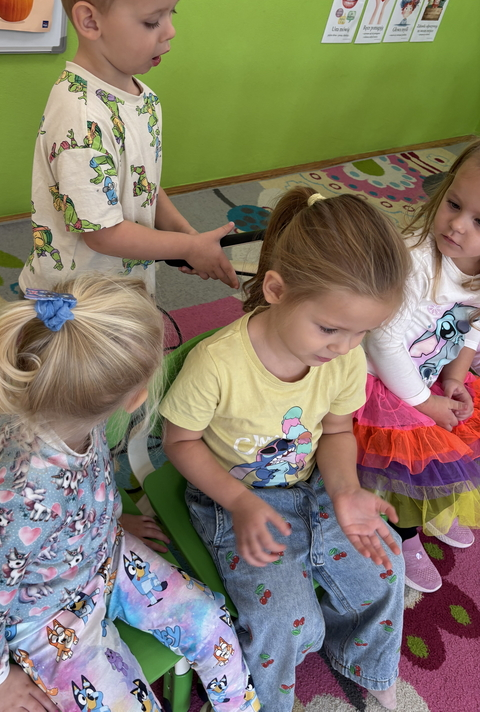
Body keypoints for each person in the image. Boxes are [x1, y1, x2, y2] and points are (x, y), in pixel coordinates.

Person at [0, 273, 259, 712]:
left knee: (210, 622)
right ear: (134, 398)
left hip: (102, 552)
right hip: (44, 617)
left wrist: (104, 521)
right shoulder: (20, 501)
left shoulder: (68, 405)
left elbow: (88, 481)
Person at [160, 187, 411, 711]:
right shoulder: (217, 363)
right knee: (287, 620)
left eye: (362, 332)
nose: (344, 347)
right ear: (275, 289)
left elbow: (337, 431)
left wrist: (345, 491)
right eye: (330, 328)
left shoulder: (343, 357)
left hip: (314, 485)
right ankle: (262, 699)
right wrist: (240, 502)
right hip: (235, 498)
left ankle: (367, 663)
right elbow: (179, 442)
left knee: (386, 569)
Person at [18, 0, 238, 299]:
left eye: (172, 12)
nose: (170, 30)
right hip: (80, 302)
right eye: (152, 21)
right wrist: (186, 247)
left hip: (123, 283)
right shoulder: (81, 119)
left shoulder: (140, 96)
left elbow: (142, 183)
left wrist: (186, 235)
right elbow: (103, 235)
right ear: (90, 21)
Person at [354, 140, 480, 594]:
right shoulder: (416, 258)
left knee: (453, 441)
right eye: (454, 204)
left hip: (429, 373)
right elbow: (383, 341)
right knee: (405, 464)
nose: (457, 225)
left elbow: (473, 330)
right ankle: (402, 534)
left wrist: (455, 377)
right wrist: (427, 403)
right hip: (378, 381)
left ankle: (433, 508)